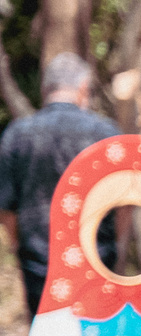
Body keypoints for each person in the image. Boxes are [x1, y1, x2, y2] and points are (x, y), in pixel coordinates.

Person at [0, 54, 117, 320]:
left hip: (38, 263)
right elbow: (124, 204)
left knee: (46, 334)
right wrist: (116, 245)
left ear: (45, 89)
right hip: (97, 260)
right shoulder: (106, 134)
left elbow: (6, 208)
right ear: (83, 88)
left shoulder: (16, 135)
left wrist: (19, 246)